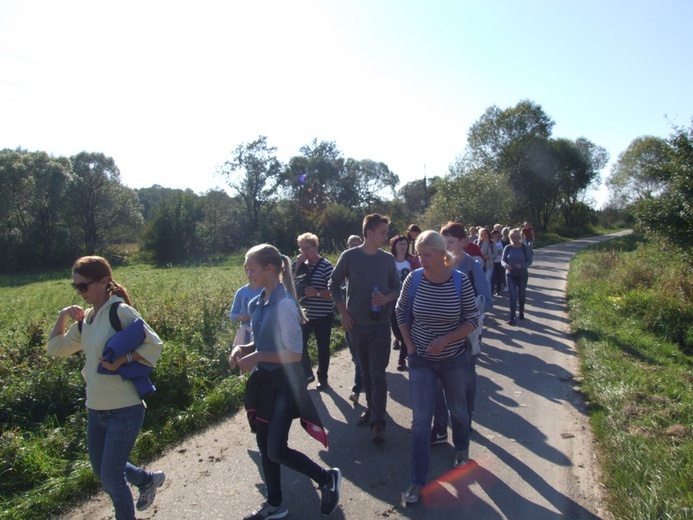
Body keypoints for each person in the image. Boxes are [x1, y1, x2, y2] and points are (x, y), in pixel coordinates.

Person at [46, 256, 165, 520]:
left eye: (83, 286)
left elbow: (154, 345)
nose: (80, 292)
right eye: (75, 286)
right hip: (95, 409)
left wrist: (123, 360)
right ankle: (146, 480)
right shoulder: (87, 320)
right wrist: (63, 315)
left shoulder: (119, 311)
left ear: (103, 282)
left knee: (111, 479)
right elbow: (56, 348)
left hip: (124, 408)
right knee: (102, 470)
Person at [230, 244, 341, 519]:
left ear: (270, 269)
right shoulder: (256, 303)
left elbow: (294, 353)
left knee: (277, 449)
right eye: (246, 269)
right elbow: (266, 341)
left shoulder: (286, 304)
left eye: (251, 269)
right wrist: (243, 349)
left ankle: (327, 479)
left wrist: (255, 356)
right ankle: (275, 504)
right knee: (265, 445)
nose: (248, 274)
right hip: (265, 383)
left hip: (285, 384)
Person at [396, 231, 479, 504]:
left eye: (426, 255)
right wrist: (409, 345)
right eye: (419, 254)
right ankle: (417, 482)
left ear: (442, 254)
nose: (421, 260)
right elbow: (400, 311)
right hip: (420, 359)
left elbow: (471, 320)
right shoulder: (415, 278)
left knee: (458, 409)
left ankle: (462, 448)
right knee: (421, 419)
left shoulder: (460, 281)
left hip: (454, 359)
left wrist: (445, 340)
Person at [330, 213, 400, 444]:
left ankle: (378, 423)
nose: (386, 236)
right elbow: (334, 285)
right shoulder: (349, 256)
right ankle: (372, 409)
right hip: (356, 325)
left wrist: (386, 298)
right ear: (368, 233)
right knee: (366, 372)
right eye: (382, 232)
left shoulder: (388, 259)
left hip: (380, 326)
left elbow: (396, 289)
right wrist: (344, 313)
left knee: (378, 374)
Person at [432, 222, 493, 443]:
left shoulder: (472, 266)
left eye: (450, 242)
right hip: (440, 332)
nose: (445, 246)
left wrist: (465, 311)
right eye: (442, 241)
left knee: (466, 378)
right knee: (438, 378)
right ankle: (440, 426)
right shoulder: (437, 264)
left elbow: (487, 301)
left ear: (463, 242)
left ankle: (466, 417)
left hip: (467, 334)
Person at [292, 232, 335, 390]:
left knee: (322, 347)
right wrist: (296, 265)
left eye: (307, 248)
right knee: (299, 344)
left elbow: (334, 292)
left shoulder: (326, 266)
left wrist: (316, 292)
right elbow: (288, 283)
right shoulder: (297, 264)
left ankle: (322, 378)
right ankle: (307, 374)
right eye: (301, 249)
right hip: (304, 314)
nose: (304, 252)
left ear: (316, 247)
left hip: (323, 314)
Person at [389, 234, 421, 371]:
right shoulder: (389, 260)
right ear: (394, 246)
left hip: (409, 299)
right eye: (400, 244)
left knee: (405, 326)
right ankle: (404, 344)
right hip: (391, 298)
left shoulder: (412, 261)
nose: (403, 246)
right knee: (395, 327)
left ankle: (402, 357)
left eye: (404, 244)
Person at [344, 234, 363, 403]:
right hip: (348, 318)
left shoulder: (368, 264)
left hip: (365, 319)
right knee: (355, 355)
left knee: (359, 358)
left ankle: (357, 389)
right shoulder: (344, 264)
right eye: (351, 244)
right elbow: (334, 286)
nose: (354, 246)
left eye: (357, 244)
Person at [502, 228, 533, 325]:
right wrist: (506, 266)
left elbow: (530, 261)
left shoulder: (524, 248)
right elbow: (503, 260)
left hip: (522, 274)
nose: (514, 239)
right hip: (510, 274)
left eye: (515, 237)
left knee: (521, 294)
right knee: (512, 296)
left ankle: (521, 312)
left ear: (519, 237)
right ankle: (512, 317)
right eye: (512, 237)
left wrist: (522, 265)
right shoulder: (508, 248)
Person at [490, 229, 505, 296]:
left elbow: (506, 250)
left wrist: (502, 252)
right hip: (493, 261)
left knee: (499, 276)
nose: (495, 236)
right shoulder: (491, 243)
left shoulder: (502, 242)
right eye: (494, 235)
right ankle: (492, 290)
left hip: (501, 261)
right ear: (492, 236)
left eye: (497, 234)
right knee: (493, 277)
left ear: (499, 235)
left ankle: (498, 290)